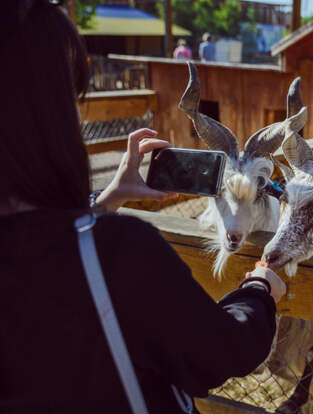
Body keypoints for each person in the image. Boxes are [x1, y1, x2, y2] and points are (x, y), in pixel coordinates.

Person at [0, 1, 286, 413]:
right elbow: (219, 354)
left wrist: (105, 201)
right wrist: (259, 290)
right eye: (72, 100)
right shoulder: (118, 252)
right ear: (49, 118)